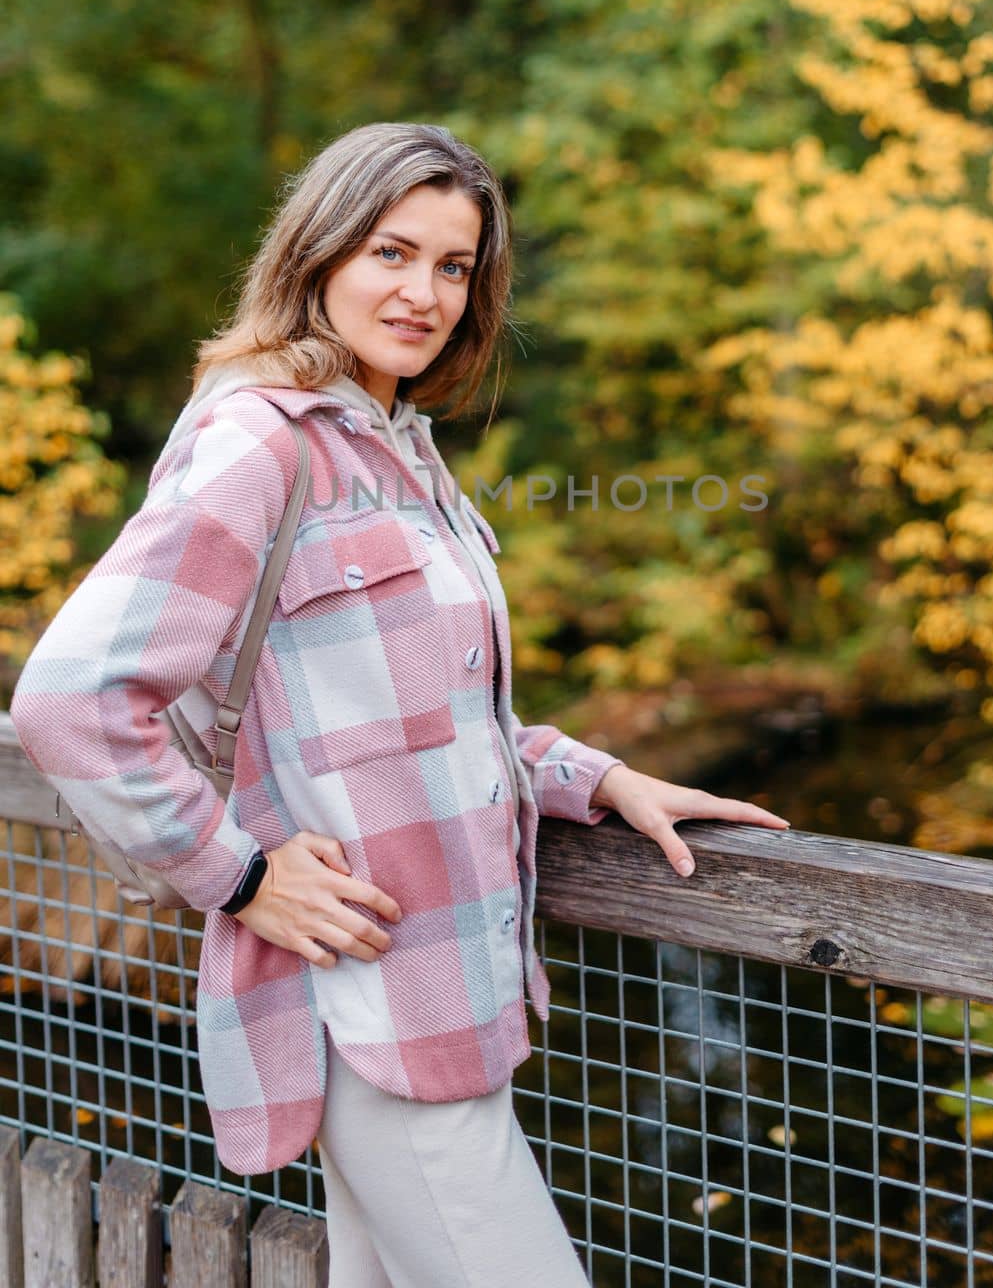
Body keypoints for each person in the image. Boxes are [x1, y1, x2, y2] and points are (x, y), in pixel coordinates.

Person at [9, 122, 790, 1287]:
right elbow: (69, 697)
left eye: (454, 266)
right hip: (362, 1008)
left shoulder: (399, 449)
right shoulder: (261, 444)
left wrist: (597, 776)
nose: (423, 291)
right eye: (391, 250)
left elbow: (423, 717)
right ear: (319, 253)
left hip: (447, 998)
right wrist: (242, 874)